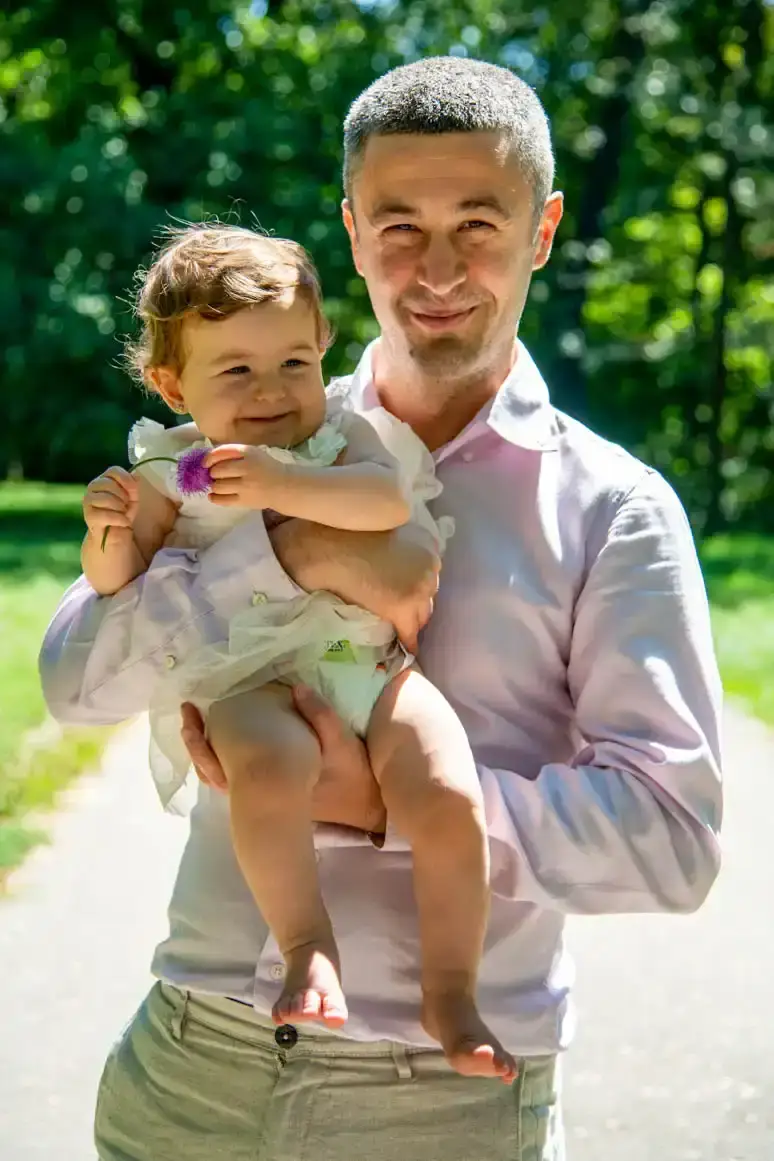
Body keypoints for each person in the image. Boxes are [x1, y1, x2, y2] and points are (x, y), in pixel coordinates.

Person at [39, 56, 723, 1161]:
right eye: (399, 225)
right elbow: (75, 685)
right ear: (352, 233)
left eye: (480, 224)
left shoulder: (616, 511)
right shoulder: (247, 418)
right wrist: (292, 558)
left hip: (433, 1099)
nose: (438, 267)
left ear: (542, 231)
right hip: (190, 1059)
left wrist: (385, 803)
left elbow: (671, 842)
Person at [81, 221, 516, 1080]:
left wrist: (284, 481)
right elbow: (115, 586)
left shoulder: (341, 440)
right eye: (236, 370)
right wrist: (106, 532)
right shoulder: (176, 471)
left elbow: (384, 504)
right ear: (173, 384)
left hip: (370, 663)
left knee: (448, 790)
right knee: (269, 769)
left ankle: (452, 988)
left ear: (323, 346)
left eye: (293, 362)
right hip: (251, 674)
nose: (273, 390)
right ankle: (306, 945)